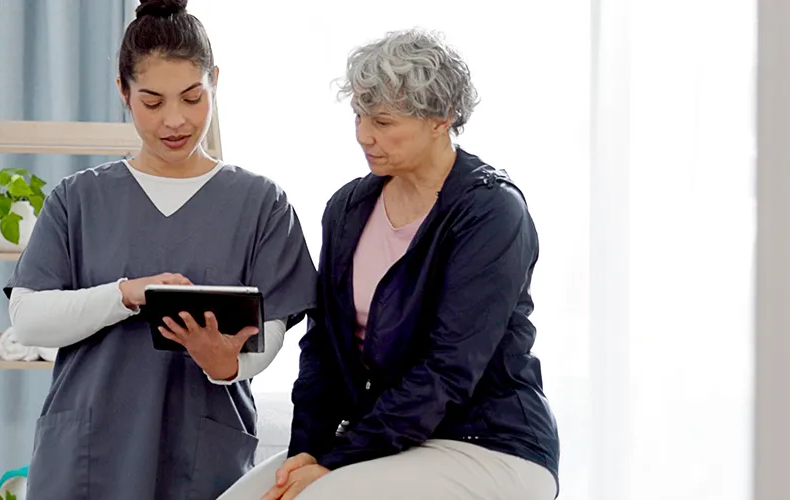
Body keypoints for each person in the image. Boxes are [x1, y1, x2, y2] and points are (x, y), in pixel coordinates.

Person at [2, 1, 319, 498]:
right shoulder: (77, 200)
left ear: (215, 81)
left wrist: (227, 365)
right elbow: (29, 319)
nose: (175, 120)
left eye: (192, 98)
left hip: (202, 450)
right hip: (89, 454)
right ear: (123, 93)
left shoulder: (260, 203)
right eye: (152, 102)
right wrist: (128, 294)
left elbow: (271, 327)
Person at [238, 29, 560, 500]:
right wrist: (306, 452)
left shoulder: (491, 213)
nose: (364, 134)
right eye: (359, 115)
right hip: (387, 441)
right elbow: (324, 347)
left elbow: (448, 370)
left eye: (384, 121)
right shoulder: (348, 208)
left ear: (441, 119)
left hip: (489, 443)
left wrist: (335, 463)